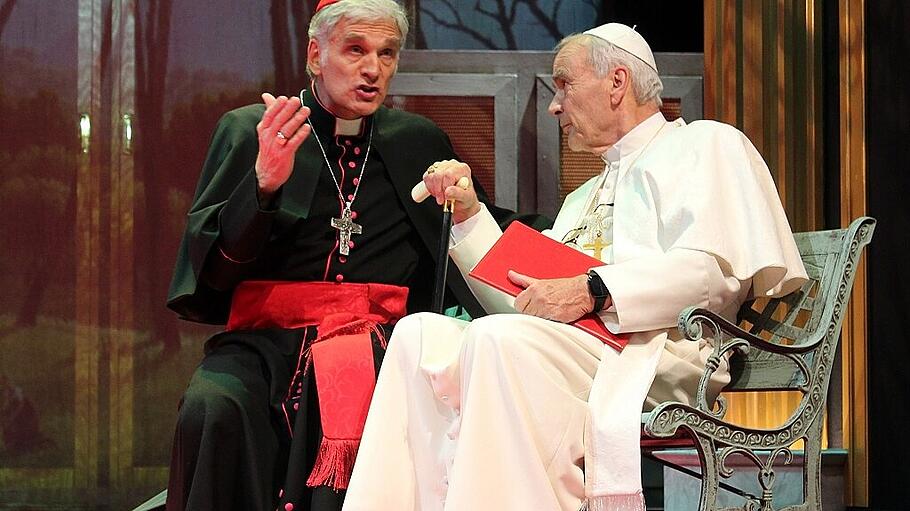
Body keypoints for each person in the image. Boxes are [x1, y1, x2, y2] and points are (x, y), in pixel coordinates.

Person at [341, 23, 809, 511]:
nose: (554, 104)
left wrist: (595, 289)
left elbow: (714, 275)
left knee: (496, 339)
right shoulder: (585, 194)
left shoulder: (706, 145)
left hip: (660, 351)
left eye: (564, 83)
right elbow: (522, 306)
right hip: (584, 348)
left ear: (617, 81)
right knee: (418, 335)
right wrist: (468, 216)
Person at [163, 1, 547, 510]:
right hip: (267, 347)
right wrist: (263, 189)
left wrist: (575, 255)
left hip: (383, 347)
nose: (373, 69)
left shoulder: (417, 140)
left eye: (387, 54)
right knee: (213, 405)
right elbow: (213, 267)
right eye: (356, 50)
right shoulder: (253, 130)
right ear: (315, 55)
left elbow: (479, 232)